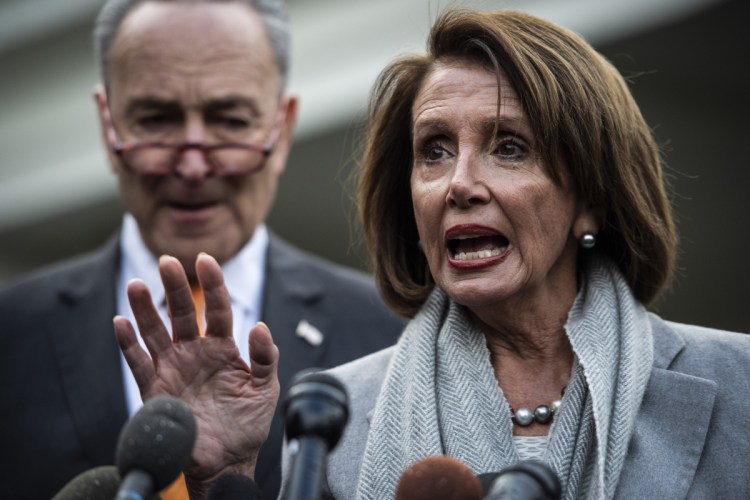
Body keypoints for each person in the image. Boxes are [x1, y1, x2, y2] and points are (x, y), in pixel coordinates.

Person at [112, 7, 750, 500]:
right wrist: (228, 473)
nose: (458, 184)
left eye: (508, 147)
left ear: (591, 197)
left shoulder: (736, 381)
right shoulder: (335, 416)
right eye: (435, 151)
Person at [0, 1, 404, 499]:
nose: (193, 165)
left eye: (229, 121)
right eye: (157, 119)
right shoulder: (11, 334)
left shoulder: (389, 338)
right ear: (109, 129)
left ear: (281, 130)